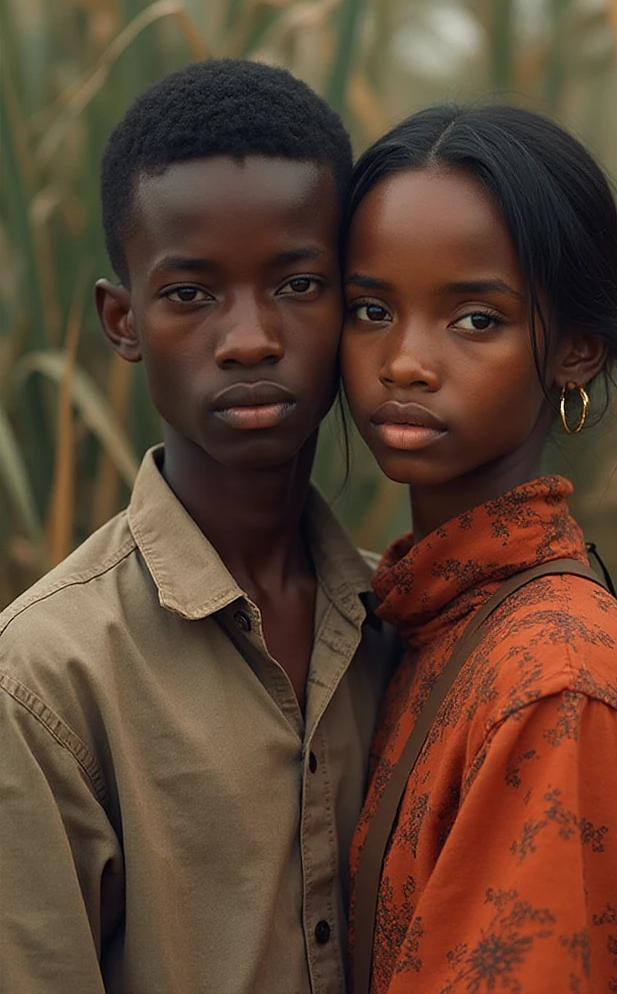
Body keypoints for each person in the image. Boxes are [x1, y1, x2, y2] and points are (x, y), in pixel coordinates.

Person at [0, 59, 397, 994]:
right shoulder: (48, 678)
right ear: (122, 318)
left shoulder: (407, 623)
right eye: (190, 294)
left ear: (353, 301)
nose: (250, 337)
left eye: (299, 285)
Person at [341, 104, 617, 993]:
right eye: (371, 308)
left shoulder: (555, 681)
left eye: (476, 320)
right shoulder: (408, 617)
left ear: (574, 350)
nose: (406, 362)